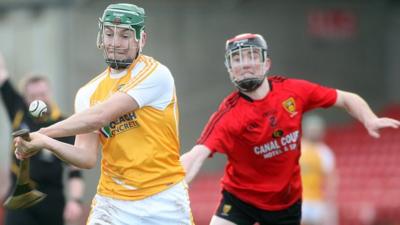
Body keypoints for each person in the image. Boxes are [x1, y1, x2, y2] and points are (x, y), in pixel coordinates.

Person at [180, 33, 400, 225]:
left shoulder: (293, 92)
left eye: (251, 56)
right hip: (240, 199)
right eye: (237, 59)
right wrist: (171, 185)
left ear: (267, 63)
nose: (244, 64)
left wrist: (369, 118)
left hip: (285, 204)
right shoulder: (228, 115)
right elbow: (197, 154)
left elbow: (345, 98)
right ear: (230, 68)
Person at [13, 3, 193, 225]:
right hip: (113, 203)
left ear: (141, 39)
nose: (115, 43)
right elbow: (85, 157)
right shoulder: (87, 93)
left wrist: (43, 132)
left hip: (164, 199)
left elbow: (99, 117)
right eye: (109, 34)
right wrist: (45, 143)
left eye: (125, 35)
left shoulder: (156, 75)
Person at [0, 54, 84, 225]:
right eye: (33, 96)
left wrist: (75, 200)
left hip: (52, 199)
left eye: (43, 94)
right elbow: (2, 74)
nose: (39, 100)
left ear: (50, 93)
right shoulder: (18, 110)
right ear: (25, 98)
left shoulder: (64, 124)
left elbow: (75, 170)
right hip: (20, 196)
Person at [300, 114, 338, 225]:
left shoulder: (325, 152)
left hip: (317, 200)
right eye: (312, 129)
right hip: (299, 200)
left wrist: (330, 200)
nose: (314, 132)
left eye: (316, 130)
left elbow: (331, 178)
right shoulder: (296, 149)